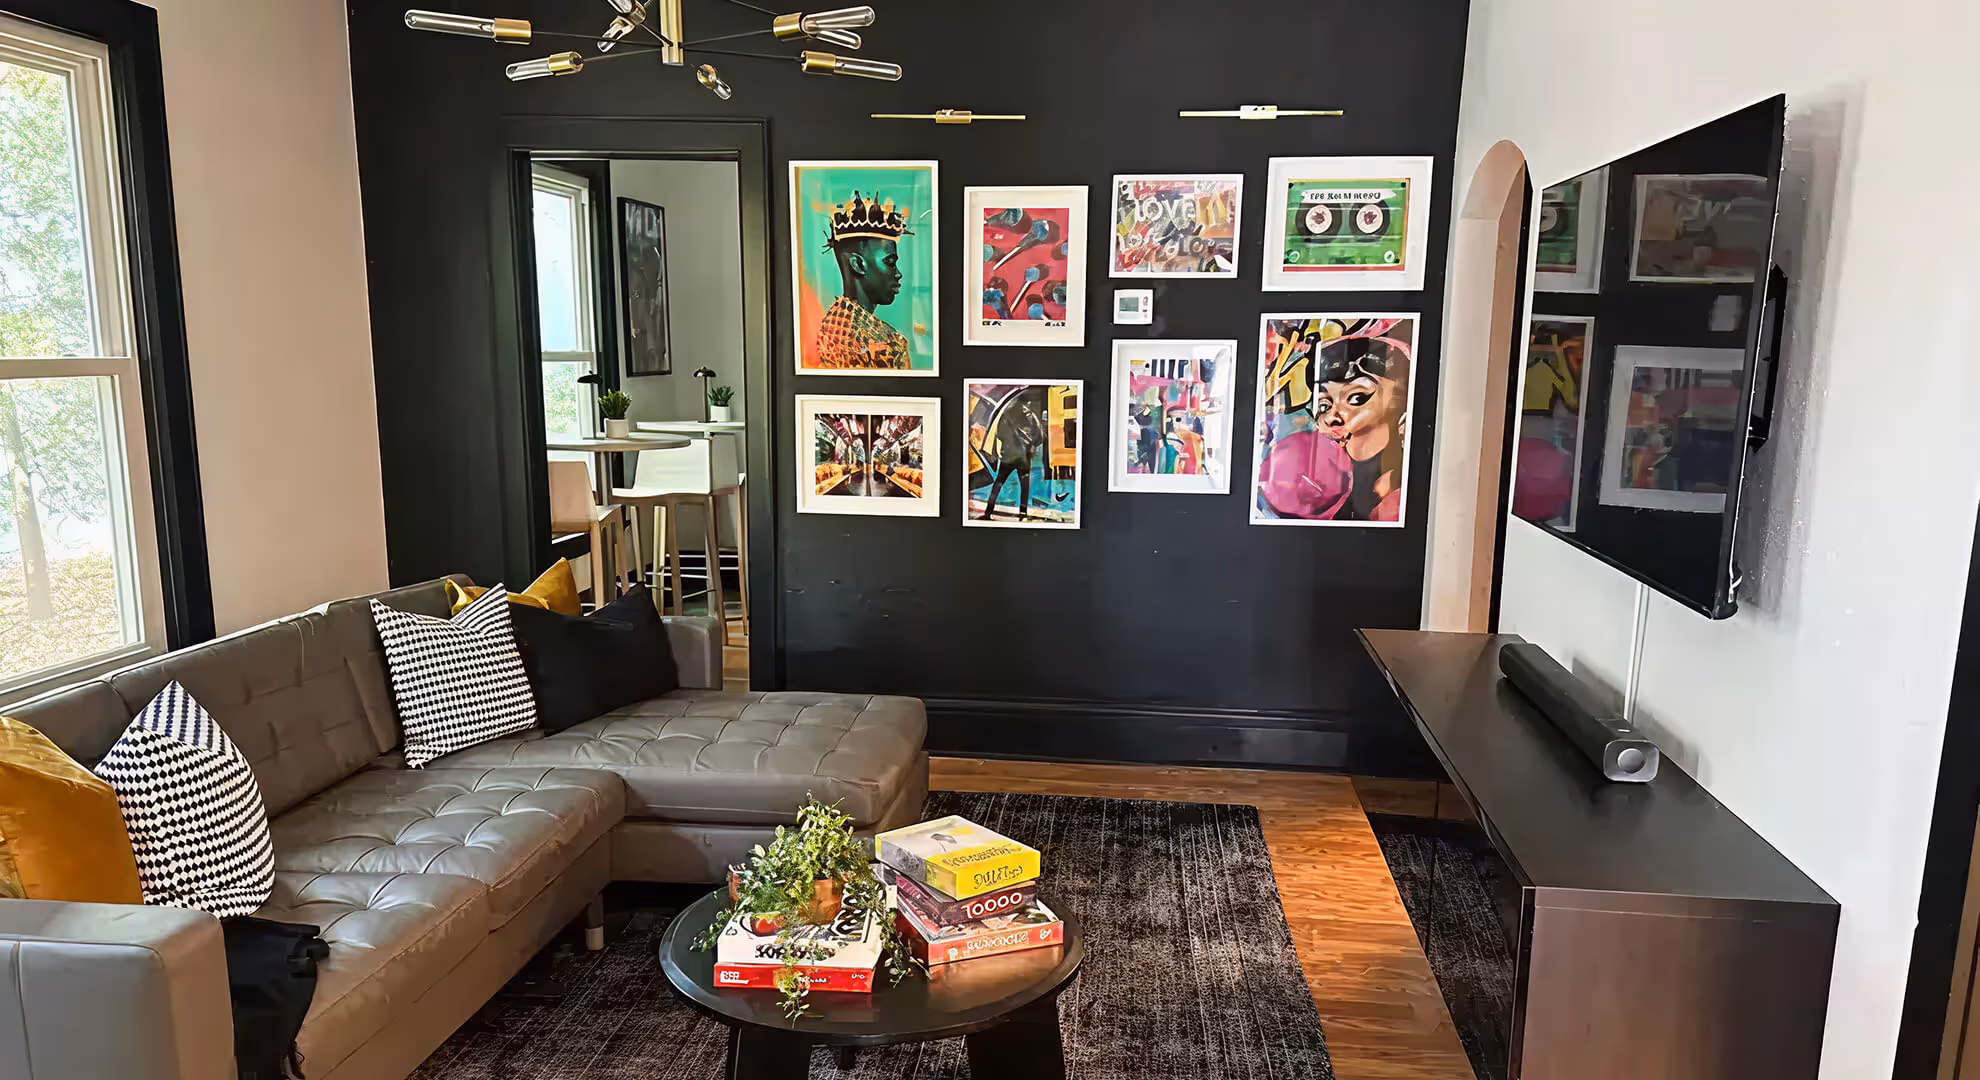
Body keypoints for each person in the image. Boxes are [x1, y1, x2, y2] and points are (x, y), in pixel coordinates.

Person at [1311, 334, 1410, 521]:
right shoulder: (1320, 464)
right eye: (1325, 405)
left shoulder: (1402, 476)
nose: (1331, 416)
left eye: (1356, 398)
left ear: (1398, 398)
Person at [812, 192, 912, 369]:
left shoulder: (831, 326)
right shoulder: (888, 346)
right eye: (889, 263)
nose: (898, 274)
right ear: (858, 264)